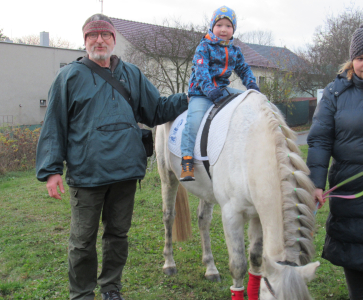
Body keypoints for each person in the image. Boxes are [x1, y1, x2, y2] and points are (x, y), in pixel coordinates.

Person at [35, 14, 188, 300]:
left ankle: (111, 288)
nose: (99, 40)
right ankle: (82, 294)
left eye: (105, 35)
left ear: (114, 39)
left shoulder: (131, 74)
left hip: (125, 172)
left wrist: (190, 96)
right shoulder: (68, 76)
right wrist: (51, 170)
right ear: (85, 41)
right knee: (82, 241)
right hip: (87, 173)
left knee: (117, 236)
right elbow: (54, 124)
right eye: (93, 35)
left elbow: (156, 111)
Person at [307, 22, 363, 300]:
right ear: (351, 60)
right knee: (354, 255)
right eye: (360, 58)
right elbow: (320, 140)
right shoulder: (335, 94)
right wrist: (315, 183)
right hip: (352, 194)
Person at [180, 5, 259, 181]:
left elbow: (244, 69)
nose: (223, 29)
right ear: (212, 26)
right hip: (201, 92)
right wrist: (210, 91)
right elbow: (201, 72)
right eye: (219, 25)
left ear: (234, 29)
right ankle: (186, 161)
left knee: (247, 101)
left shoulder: (235, 50)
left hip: (222, 90)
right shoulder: (204, 47)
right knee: (193, 121)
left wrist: (252, 85)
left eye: (228, 26)